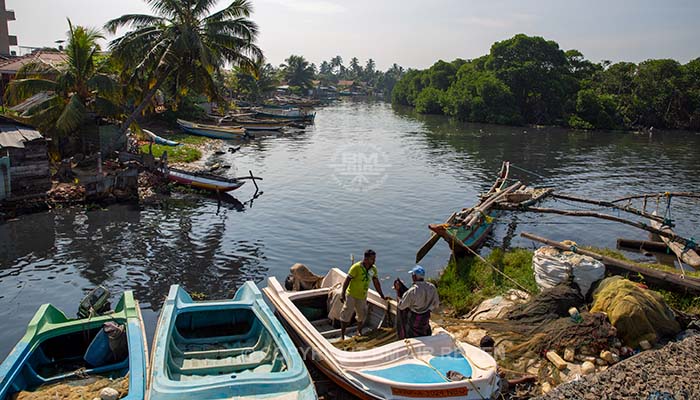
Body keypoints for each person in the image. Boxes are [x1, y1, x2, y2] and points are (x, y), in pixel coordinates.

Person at [339, 249, 387, 340]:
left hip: (362, 296)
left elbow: (376, 282)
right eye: (372, 259)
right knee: (346, 314)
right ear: (366, 259)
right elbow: (347, 280)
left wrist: (382, 295)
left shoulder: (373, 269)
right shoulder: (356, 267)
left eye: (374, 259)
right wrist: (343, 293)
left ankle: (359, 331)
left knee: (361, 315)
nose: (374, 261)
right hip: (351, 295)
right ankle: (342, 335)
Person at [394, 265, 439, 339]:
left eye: (412, 275)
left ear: (414, 277)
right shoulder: (432, 287)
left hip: (414, 319)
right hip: (425, 317)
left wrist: (398, 293)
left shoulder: (412, 291)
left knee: (410, 331)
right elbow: (436, 304)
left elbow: (401, 306)